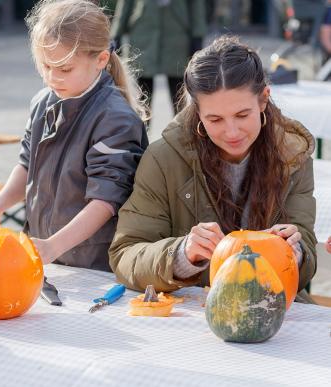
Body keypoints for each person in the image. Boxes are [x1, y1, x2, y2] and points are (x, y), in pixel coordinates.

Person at [109, 35, 317, 302]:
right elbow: (125, 255)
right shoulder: (163, 159)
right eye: (215, 119)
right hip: (192, 309)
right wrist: (182, 254)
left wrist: (295, 252)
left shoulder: (293, 157)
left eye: (242, 115)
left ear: (264, 99)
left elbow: (307, 258)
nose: (231, 132)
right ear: (197, 112)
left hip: (273, 306)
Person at [0, 0, 148, 271]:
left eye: (65, 69)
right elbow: (26, 163)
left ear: (101, 60)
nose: (53, 78)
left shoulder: (115, 118)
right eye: (46, 66)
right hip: (45, 252)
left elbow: (105, 201)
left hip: (94, 263)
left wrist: (54, 245)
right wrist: (2, 201)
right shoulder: (43, 101)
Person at [111, 0, 207, 116]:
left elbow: (196, 4)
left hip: (177, 31)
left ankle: (183, 131)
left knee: (180, 91)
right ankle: (141, 130)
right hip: (143, 31)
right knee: (142, 91)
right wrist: (117, 33)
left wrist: (198, 35)